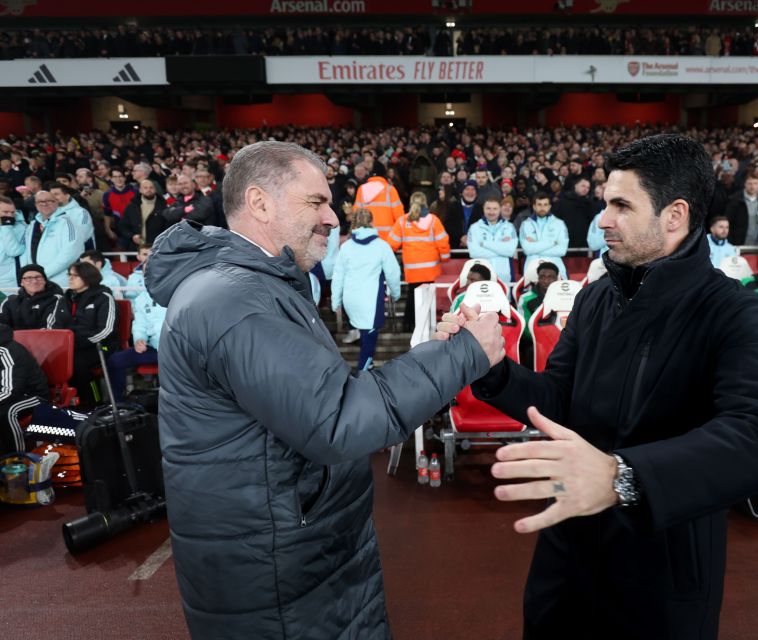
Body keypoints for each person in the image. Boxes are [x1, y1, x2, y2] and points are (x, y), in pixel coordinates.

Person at [435, 134, 758, 638]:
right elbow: (558, 398)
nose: (603, 220)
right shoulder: (596, 298)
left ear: (674, 216)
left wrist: (623, 476)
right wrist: (493, 370)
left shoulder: (734, 311)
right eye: (605, 204)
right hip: (566, 561)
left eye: (621, 206)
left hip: (662, 575)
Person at [143, 141, 503, 640]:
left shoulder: (253, 287)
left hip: (293, 558)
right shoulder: (234, 300)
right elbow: (337, 419)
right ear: (260, 202)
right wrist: (465, 354)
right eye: (317, 202)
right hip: (278, 577)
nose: (334, 218)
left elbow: (323, 399)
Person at [333, 207, 403, 371]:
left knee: (364, 334)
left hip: (350, 299)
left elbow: (338, 276)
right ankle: (362, 375)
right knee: (369, 341)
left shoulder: (347, 247)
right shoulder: (381, 246)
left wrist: (336, 301)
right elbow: (393, 273)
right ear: (372, 222)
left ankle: (368, 366)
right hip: (371, 300)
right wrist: (395, 293)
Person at [53, 261, 118, 406]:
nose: (70, 278)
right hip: (69, 347)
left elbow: (107, 330)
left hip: (100, 346)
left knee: (75, 362)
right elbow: (54, 327)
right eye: (69, 275)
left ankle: (93, 401)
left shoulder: (103, 297)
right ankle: (60, 401)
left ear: (88, 277)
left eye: (75, 275)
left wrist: (78, 344)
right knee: (51, 359)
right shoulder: (64, 299)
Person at [386, 191, 451, 333]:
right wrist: (445, 258)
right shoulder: (434, 220)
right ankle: (425, 327)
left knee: (411, 298)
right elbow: (443, 242)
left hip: (412, 270)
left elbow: (391, 244)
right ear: (425, 203)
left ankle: (408, 325)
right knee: (428, 300)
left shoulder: (403, 221)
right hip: (431, 269)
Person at [0, 190, 89, 288]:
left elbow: (70, 254)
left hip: (59, 282)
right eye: (40, 202)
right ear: (36, 205)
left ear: (56, 202)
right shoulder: (32, 225)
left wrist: (42, 274)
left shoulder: (68, 223)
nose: (45, 204)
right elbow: (28, 255)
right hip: (35, 282)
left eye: (49, 201)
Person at [105, 260, 164, 400]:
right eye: (145, 272)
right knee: (115, 360)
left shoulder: (179, 293)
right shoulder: (142, 298)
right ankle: (118, 405)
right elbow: (140, 324)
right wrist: (139, 339)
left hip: (177, 349)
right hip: (152, 348)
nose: (148, 275)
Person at [0, 323, 50, 454]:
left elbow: (10, 390)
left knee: (8, 413)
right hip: (9, 394)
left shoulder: (8, 351)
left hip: (32, 395)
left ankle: (17, 458)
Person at [467, 197, 518, 285]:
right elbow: (474, 252)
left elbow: (510, 251)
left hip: (504, 277)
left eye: (495, 208)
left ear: (500, 209)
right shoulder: (474, 228)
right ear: (483, 209)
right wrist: (501, 250)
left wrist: (485, 244)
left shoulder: (509, 227)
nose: (491, 212)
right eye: (488, 208)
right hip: (481, 277)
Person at [519, 193, 569, 279]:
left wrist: (535, 246)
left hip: (556, 266)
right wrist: (552, 243)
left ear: (549, 206)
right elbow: (527, 249)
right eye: (539, 205)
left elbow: (562, 250)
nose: (542, 208)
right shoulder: (526, 224)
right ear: (534, 206)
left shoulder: (559, 224)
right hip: (532, 268)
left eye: (545, 205)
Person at [0, 264, 63, 330]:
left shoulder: (56, 300)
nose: (34, 281)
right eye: (28, 278)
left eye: (38, 277)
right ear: (21, 282)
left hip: (44, 339)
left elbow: (50, 330)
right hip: (12, 339)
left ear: (45, 280)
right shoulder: (10, 301)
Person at [118, 179, 166, 249]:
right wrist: (132, 236)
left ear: (155, 189)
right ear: (140, 190)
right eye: (145, 188)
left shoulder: (163, 206)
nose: (149, 190)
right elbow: (123, 226)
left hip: (158, 247)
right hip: (136, 248)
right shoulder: (131, 207)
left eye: (151, 187)